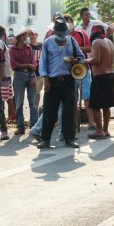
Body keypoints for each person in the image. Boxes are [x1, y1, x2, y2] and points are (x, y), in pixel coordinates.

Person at [37, 16, 84, 149]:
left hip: (68, 80)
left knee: (69, 111)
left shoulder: (72, 41)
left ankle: (69, 138)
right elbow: (43, 63)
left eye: (63, 34)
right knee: (49, 111)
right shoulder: (47, 43)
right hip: (52, 81)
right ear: (54, 32)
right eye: (59, 34)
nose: (62, 36)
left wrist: (74, 60)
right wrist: (46, 81)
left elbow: (81, 58)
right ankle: (45, 139)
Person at [84, 25, 114, 139]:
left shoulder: (97, 42)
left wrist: (85, 60)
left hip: (100, 77)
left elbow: (96, 60)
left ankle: (99, 130)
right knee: (106, 105)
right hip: (110, 75)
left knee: (96, 105)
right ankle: (105, 130)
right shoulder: (109, 42)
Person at [9, 27, 38, 135]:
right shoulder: (13, 50)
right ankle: (20, 126)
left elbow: (33, 64)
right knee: (19, 102)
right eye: (25, 36)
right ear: (21, 37)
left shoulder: (29, 48)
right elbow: (14, 65)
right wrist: (28, 65)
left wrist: (31, 76)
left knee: (33, 102)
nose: (27, 37)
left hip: (30, 74)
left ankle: (34, 125)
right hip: (19, 75)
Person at [0, 26, 16, 122]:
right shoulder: (0, 43)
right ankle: (8, 114)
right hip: (4, 72)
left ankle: (8, 115)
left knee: (5, 95)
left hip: (5, 73)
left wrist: (1, 72)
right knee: (6, 95)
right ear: (4, 34)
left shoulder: (0, 42)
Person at [28, 30, 44, 106]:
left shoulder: (42, 46)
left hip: (39, 72)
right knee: (31, 93)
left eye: (33, 35)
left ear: (36, 35)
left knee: (38, 92)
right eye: (30, 35)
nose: (32, 37)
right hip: (30, 73)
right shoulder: (27, 47)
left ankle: (36, 109)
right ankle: (32, 108)